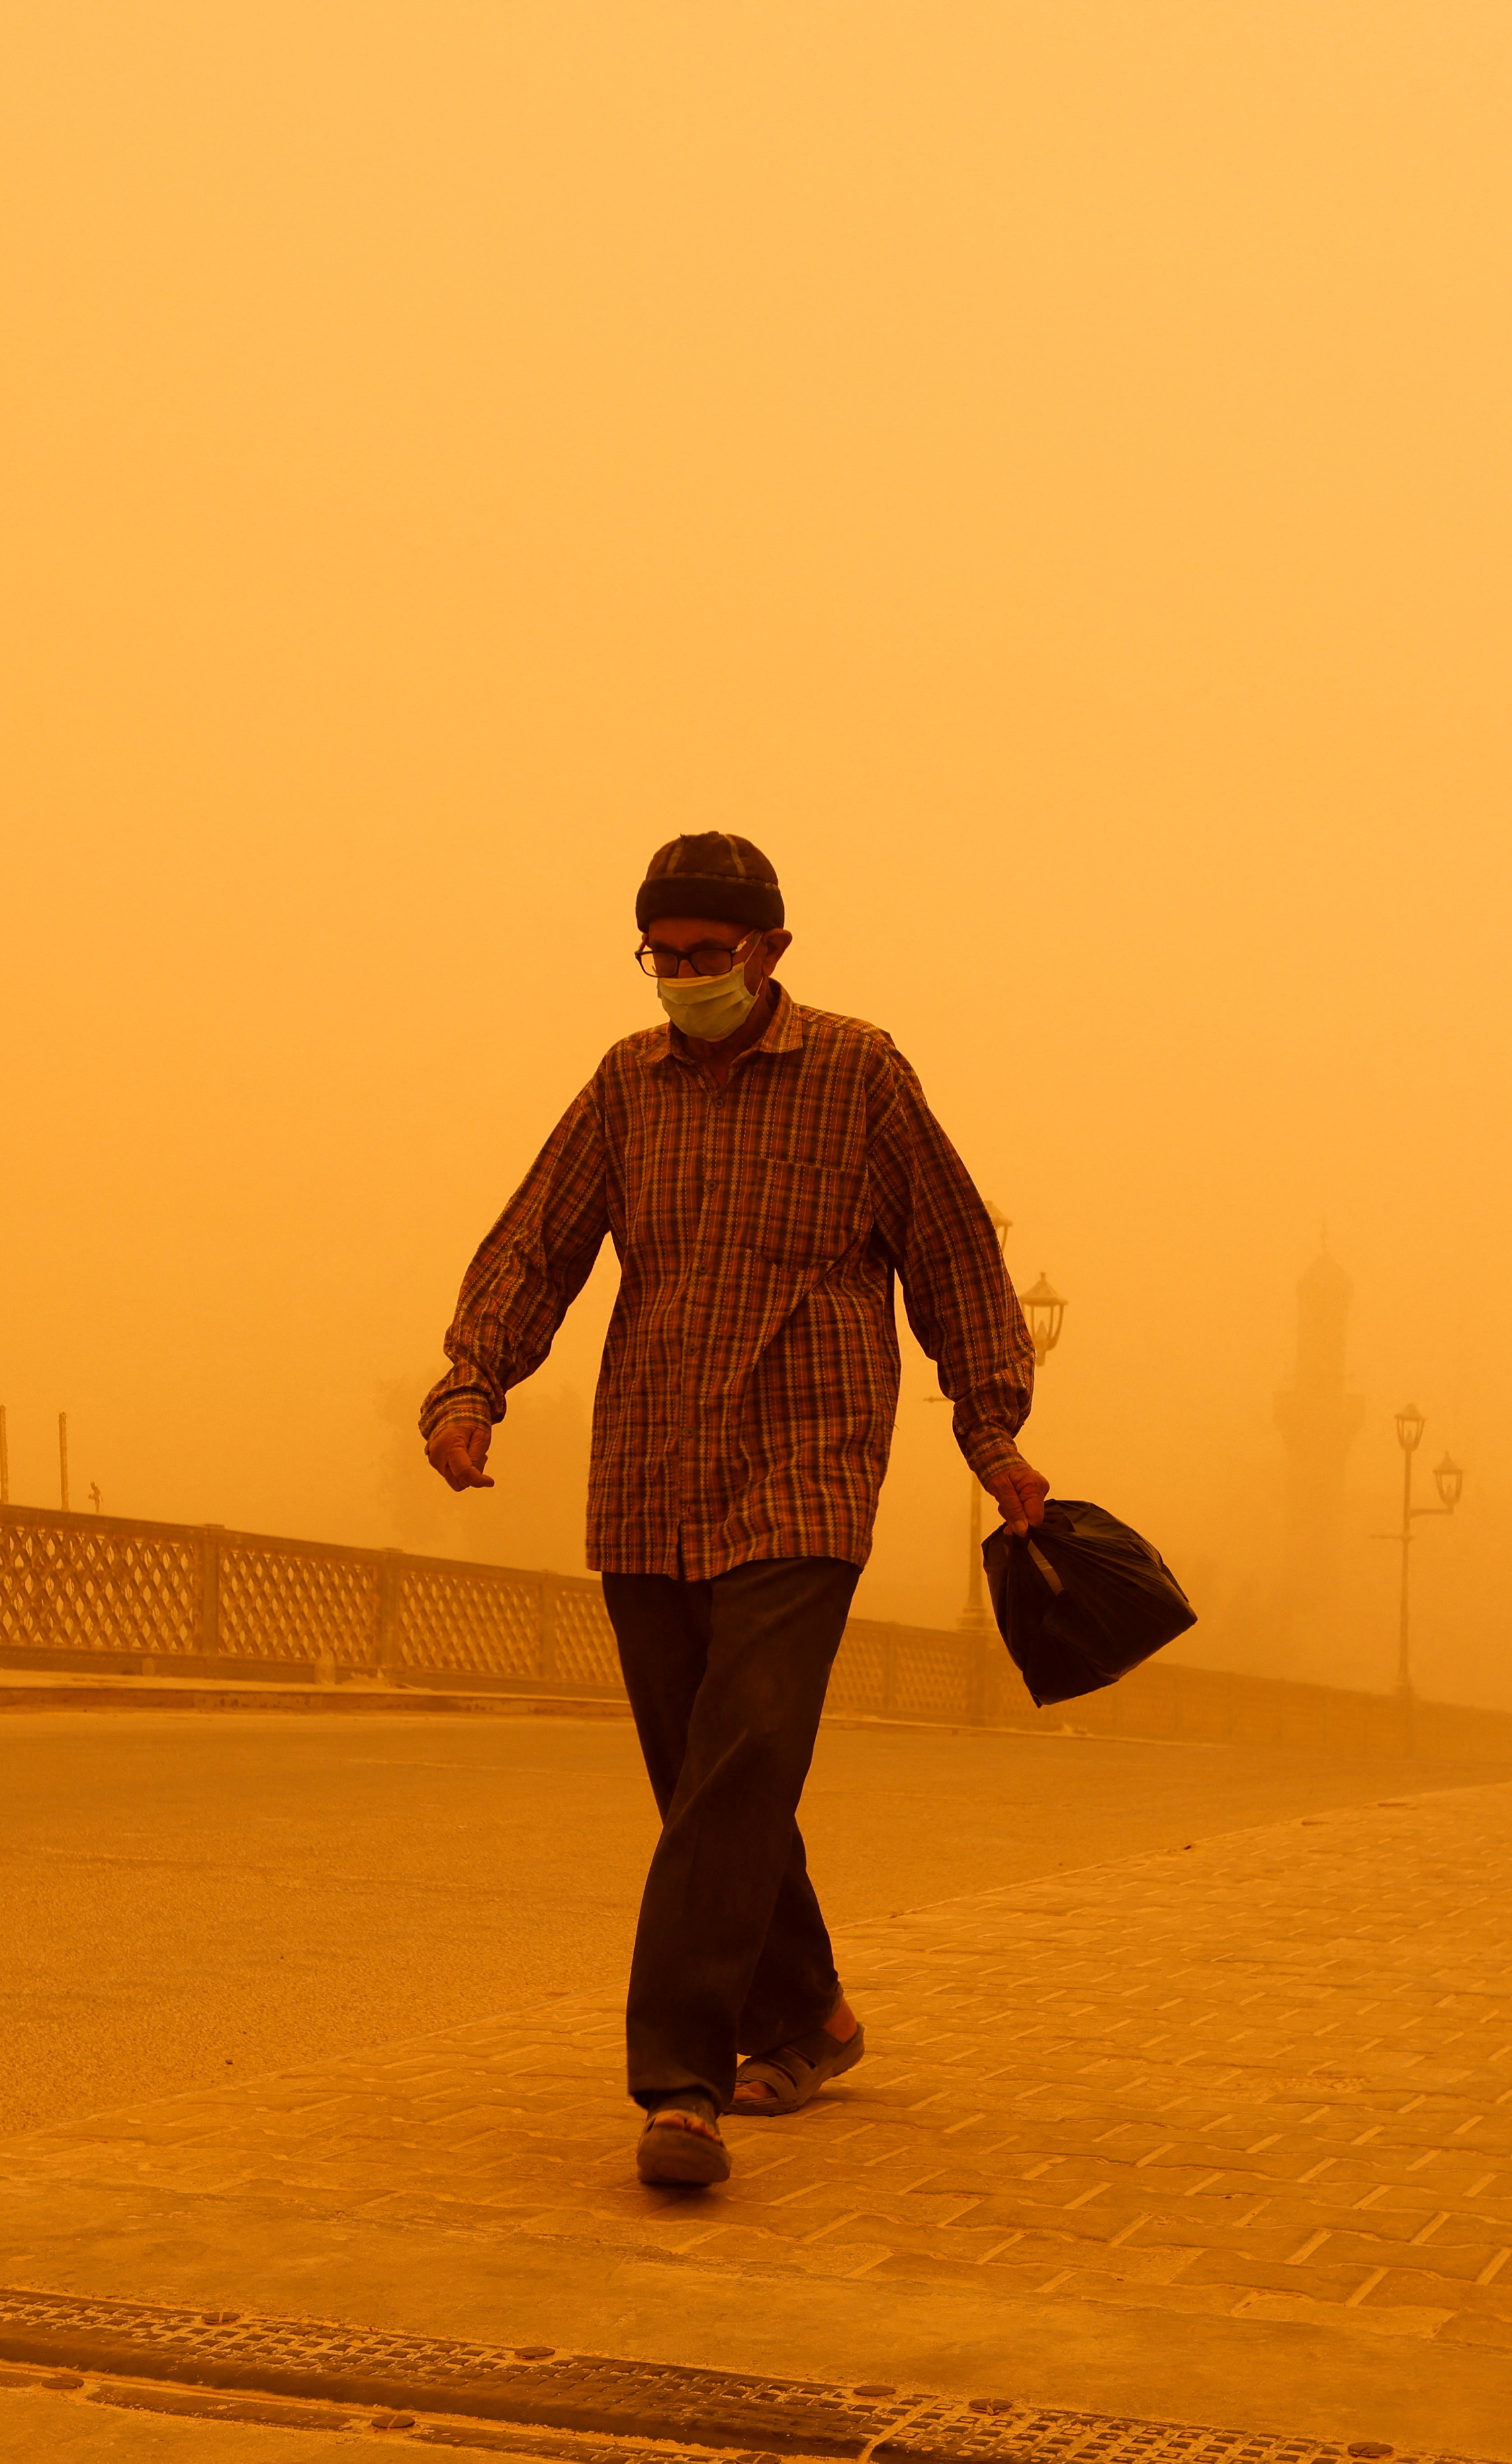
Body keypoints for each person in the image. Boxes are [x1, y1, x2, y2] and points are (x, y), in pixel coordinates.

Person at [418, 833, 1045, 2190]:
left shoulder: (859, 1078)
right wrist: (471, 1387)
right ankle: (809, 2009)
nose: (685, 979)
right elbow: (536, 1240)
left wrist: (988, 1430)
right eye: (665, 956)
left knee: (740, 1755)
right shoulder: (623, 1087)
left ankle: (681, 2082)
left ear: (769, 952)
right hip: (647, 1476)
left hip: (804, 1471)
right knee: (705, 1774)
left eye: (709, 956)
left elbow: (950, 1251)